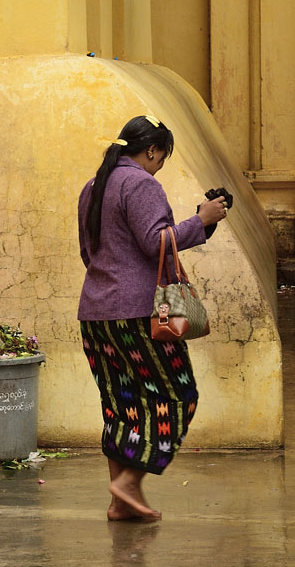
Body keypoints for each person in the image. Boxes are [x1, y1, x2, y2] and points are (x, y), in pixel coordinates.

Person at [77, 115, 227, 521]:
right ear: (151, 150)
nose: (160, 164)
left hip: (95, 314)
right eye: (162, 156)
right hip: (138, 314)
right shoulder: (141, 183)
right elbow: (155, 242)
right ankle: (128, 482)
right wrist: (204, 220)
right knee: (178, 396)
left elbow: (89, 253)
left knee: (121, 405)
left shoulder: (94, 186)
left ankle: (120, 504)